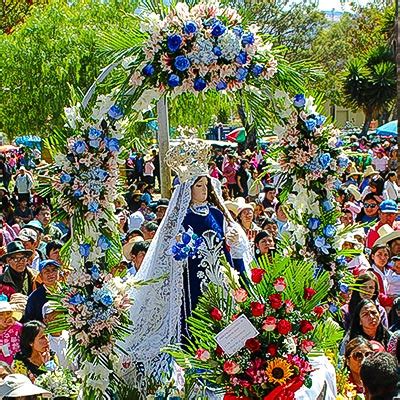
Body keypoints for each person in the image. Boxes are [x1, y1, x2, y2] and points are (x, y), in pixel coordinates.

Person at [120, 139, 249, 382]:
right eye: (198, 185)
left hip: (216, 281)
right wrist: (180, 248)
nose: (203, 190)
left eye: (205, 185)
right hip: (190, 281)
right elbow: (166, 252)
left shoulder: (216, 214)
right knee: (194, 324)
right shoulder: (179, 218)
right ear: (187, 188)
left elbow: (227, 252)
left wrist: (233, 243)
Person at [42, 302, 69, 369]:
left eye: (60, 315)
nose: (58, 319)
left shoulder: (73, 337)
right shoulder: (43, 343)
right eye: (54, 317)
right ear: (45, 320)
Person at [0, 300, 22, 366]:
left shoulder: (17, 327)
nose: (5, 317)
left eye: (8, 313)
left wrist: (15, 323)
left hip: (17, 365)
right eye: (1, 314)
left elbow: (28, 334)